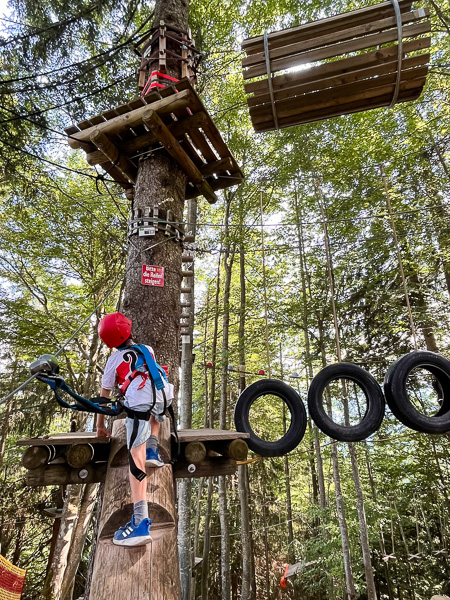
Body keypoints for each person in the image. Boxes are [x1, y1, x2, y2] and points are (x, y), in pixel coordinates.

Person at [96, 312, 174, 547]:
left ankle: (140, 522)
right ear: (128, 330)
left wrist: (100, 425)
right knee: (155, 406)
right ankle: (153, 448)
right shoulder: (147, 349)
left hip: (138, 408)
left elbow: (104, 397)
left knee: (134, 460)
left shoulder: (114, 360)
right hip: (163, 399)